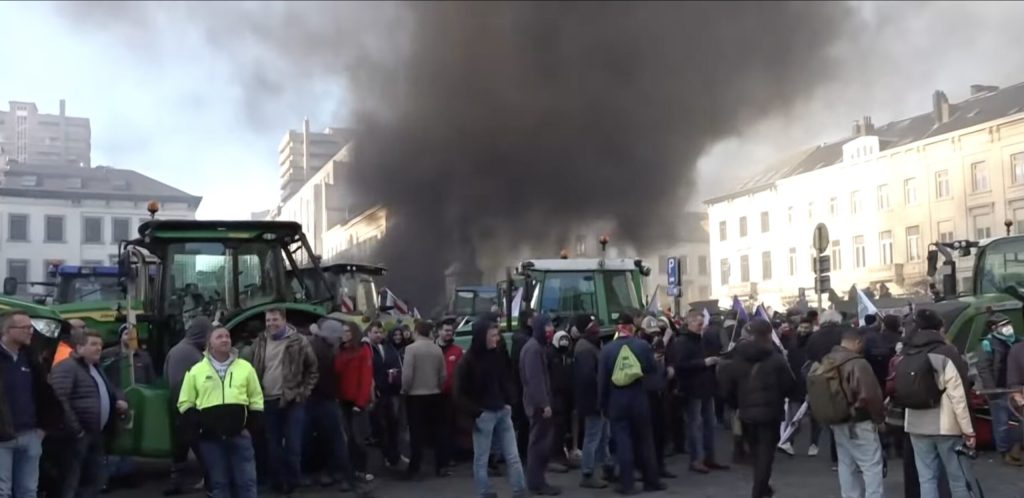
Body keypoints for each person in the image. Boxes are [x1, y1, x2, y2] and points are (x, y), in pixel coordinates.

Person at [177, 327, 262, 498]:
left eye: (227, 336)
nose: (225, 339)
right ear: (210, 343)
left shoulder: (245, 368)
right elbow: (185, 402)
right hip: (210, 439)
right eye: (219, 337)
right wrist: (199, 425)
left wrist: (251, 426)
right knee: (219, 483)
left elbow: (256, 398)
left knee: (246, 482)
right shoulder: (196, 371)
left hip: (240, 436)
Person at [900, 309, 975, 498]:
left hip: (915, 424)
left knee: (926, 479)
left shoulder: (907, 352)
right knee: (958, 479)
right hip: (945, 426)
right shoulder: (946, 352)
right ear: (940, 328)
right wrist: (968, 429)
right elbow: (958, 395)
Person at [719, 319, 795, 498]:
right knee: (766, 455)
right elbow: (790, 386)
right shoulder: (776, 359)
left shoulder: (736, 359)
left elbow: (727, 389)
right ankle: (759, 491)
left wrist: (737, 405)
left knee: (756, 453)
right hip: (771, 414)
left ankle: (762, 487)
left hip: (747, 414)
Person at [50, 329, 128, 498]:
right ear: (79, 348)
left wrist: (119, 400)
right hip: (75, 437)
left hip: (96, 435)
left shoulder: (96, 368)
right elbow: (59, 400)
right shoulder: (67, 367)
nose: (99, 348)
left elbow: (111, 389)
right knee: (70, 482)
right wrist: (76, 430)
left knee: (94, 481)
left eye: (100, 344)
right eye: (93, 344)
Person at [454, 319, 527, 498]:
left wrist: (510, 401)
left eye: (497, 335)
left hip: (502, 410)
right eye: (493, 335)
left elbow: (506, 378)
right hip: (483, 414)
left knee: (512, 455)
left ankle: (519, 490)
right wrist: (477, 412)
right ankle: (484, 492)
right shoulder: (468, 361)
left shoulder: (497, 354)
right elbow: (458, 393)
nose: (497, 338)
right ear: (482, 337)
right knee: (482, 458)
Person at [250, 308, 319, 495]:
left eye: (275, 320)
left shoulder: (299, 341)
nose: (271, 324)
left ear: (284, 320)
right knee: (272, 446)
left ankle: (293, 482)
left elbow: (312, 369)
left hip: (292, 400)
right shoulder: (261, 342)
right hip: (267, 400)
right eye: (268, 320)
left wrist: (303, 393)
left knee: (293, 445)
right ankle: (277, 482)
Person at [598, 313, 666, 495]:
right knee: (645, 441)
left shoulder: (607, 350)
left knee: (623, 442)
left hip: (617, 401)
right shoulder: (642, 346)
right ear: (632, 328)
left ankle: (627, 484)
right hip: (639, 398)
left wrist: (603, 404)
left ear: (618, 329)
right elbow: (653, 370)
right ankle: (651, 481)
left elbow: (602, 381)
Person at [0, 310, 63, 498]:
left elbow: (44, 394)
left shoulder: (30, 358)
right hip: (2, 439)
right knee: (2, 491)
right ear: (7, 330)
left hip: (31, 436)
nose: (31, 331)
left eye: (31, 327)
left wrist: (43, 429)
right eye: (25, 327)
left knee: (28, 491)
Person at [822, 328, 886, 498]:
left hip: (837, 419)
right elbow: (870, 395)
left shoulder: (828, 360)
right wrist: (879, 419)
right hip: (859, 420)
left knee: (846, 464)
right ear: (858, 342)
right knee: (871, 465)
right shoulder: (858, 363)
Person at [305, 318, 360, 491]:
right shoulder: (326, 351)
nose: (340, 340)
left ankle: (323, 473)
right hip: (325, 399)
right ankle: (344, 476)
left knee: (317, 439)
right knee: (337, 440)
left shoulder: (315, 346)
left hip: (313, 399)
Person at [163, 317, 214, 495]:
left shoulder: (177, 350)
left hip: (178, 407)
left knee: (180, 448)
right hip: (190, 409)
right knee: (201, 448)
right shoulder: (191, 354)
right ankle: (211, 484)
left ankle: (176, 484)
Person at [672, 311, 726, 473]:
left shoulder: (703, 340)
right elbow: (680, 365)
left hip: (706, 388)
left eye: (703, 324)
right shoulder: (682, 342)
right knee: (695, 424)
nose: (702, 327)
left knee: (710, 423)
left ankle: (709, 457)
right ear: (689, 323)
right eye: (699, 324)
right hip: (692, 389)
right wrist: (704, 362)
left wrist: (715, 360)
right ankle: (696, 459)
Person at [401, 320, 450, 479]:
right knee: (438, 431)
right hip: (434, 394)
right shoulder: (437, 349)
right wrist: (437, 386)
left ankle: (415, 467)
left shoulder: (411, 349)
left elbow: (407, 375)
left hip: (416, 395)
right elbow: (443, 374)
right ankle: (441, 465)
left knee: (416, 433)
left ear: (416, 332)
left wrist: (405, 389)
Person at [519, 315, 560, 496]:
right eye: (547, 326)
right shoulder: (533, 349)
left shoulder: (535, 347)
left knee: (540, 442)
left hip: (536, 403)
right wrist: (544, 404)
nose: (551, 329)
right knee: (539, 445)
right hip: (538, 405)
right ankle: (537, 482)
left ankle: (538, 480)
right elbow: (535, 380)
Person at [572, 315, 613, 489]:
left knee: (603, 435)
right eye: (593, 325)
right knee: (593, 437)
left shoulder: (589, 346)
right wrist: (599, 398)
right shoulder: (585, 349)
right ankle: (587, 473)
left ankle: (606, 467)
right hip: (593, 401)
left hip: (597, 400)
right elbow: (589, 378)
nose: (597, 329)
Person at [976, 313, 1021, 466]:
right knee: (1001, 423)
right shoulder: (988, 344)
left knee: (1019, 421)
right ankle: (1005, 451)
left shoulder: (1017, 341)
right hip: (999, 391)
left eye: (1009, 323)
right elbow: (984, 368)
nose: (1008, 327)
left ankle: (1017, 449)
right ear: (994, 328)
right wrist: (993, 391)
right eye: (1003, 325)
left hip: (1016, 389)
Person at [335, 320, 374, 480]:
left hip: (357, 401)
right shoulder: (341, 350)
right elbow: (337, 371)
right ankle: (351, 470)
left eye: (347, 331)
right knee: (348, 437)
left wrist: (360, 402)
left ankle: (363, 469)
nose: (344, 334)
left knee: (358, 437)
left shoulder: (363, 350)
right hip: (343, 399)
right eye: (343, 331)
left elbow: (366, 378)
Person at [368, 320, 403, 469]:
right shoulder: (367, 349)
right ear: (369, 333)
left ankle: (393, 456)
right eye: (375, 332)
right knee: (380, 426)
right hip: (376, 393)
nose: (378, 335)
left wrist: (394, 373)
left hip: (389, 391)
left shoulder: (387, 348)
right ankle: (388, 456)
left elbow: (394, 363)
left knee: (393, 423)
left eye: (380, 332)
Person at [436, 319, 463, 472]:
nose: (449, 333)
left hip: (451, 394)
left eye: (451, 331)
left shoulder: (457, 351)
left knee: (451, 426)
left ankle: (450, 456)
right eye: (446, 330)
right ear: (439, 331)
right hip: (434, 393)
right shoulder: (433, 349)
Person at [547, 330, 575, 473]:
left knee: (562, 428)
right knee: (556, 429)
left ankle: (561, 455)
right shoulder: (551, 355)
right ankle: (553, 458)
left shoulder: (565, 355)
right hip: (555, 396)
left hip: (564, 397)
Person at [510, 309, 535, 464]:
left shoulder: (520, 338)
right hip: (522, 386)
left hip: (519, 385)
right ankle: (523, 454)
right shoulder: (525, 341)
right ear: (529, 320)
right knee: (524, 422)